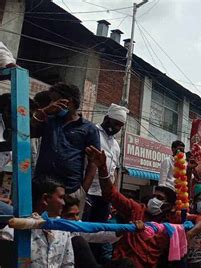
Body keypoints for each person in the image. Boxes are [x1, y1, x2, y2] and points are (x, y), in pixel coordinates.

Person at [85, 145, 178, 267]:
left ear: (169, 206)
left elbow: (200, 220)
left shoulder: (171, 225)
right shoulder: (137, 210)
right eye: (154, 196)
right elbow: (110, 194)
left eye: (159, 198)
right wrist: (102, 168)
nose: (154, 200)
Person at [31, 83, 100, 216]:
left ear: (70, 102)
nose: (52, 103)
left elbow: (93, 162)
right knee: (36, 226)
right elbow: (30, 131)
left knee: (67, 230)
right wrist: (44, 111)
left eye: (56, 100)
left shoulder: (89, 128)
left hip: (71, 190)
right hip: (42, 188)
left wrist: (82, 190)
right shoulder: (49, 121)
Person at [83, 103, 128, 264]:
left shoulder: (116, 145)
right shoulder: (92, 132)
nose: (117, 128)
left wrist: (114, 196)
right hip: (87, 192)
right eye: (115, 124)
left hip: (104, 195)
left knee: (100, 232)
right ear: (106, 119)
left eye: (120, 126)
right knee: (83, 232)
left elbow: (114, 171)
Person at [0, 178, 74, 267]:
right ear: (45, 199)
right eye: (61, 197)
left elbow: (68, 264)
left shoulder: (62, 230)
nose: (63, 203)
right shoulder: (11, 233)